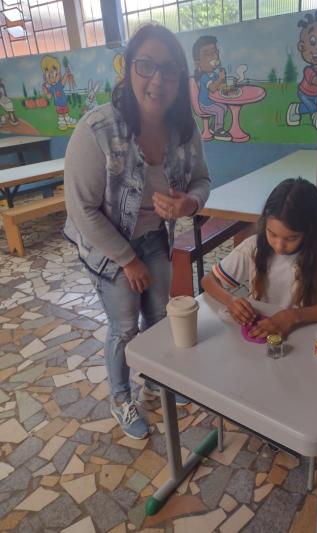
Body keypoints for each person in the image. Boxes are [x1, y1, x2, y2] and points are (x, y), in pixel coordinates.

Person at [64, 24, 210, 440]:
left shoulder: (183, 129)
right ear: (128, 69)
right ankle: (121, 394)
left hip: (153, 237)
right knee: (125, 323)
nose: (157, 79)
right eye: (146, 65)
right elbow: (81, 209)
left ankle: (155, 378)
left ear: (180, 79)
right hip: (106, 244)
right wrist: (126, 260)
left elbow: (202, 180)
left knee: (160, 313)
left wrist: (189, 204)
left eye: (169, 70)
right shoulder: (98, 130)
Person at [201, 178, 317, 339]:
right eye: (272, 234)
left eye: (291, 238)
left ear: (310, 231)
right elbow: (208, 280)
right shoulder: (254, 247)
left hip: (303, 337)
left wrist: (292, 316)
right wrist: (230, 301)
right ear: (265, 223)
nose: (279, 246)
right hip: (261, 331)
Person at [192, 35, 231, 141]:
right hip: (205, 104)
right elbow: (213, 88)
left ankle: (214, 126)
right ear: (198, 63)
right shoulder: (204, 77)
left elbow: (220, 85)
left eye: (214, 53)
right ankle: (219, 130)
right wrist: (220, 79)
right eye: (206, 54)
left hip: (211, 102)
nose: (212, 57)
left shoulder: (213, 74)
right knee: (219, 110)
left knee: (224, 107)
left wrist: (223, 79)